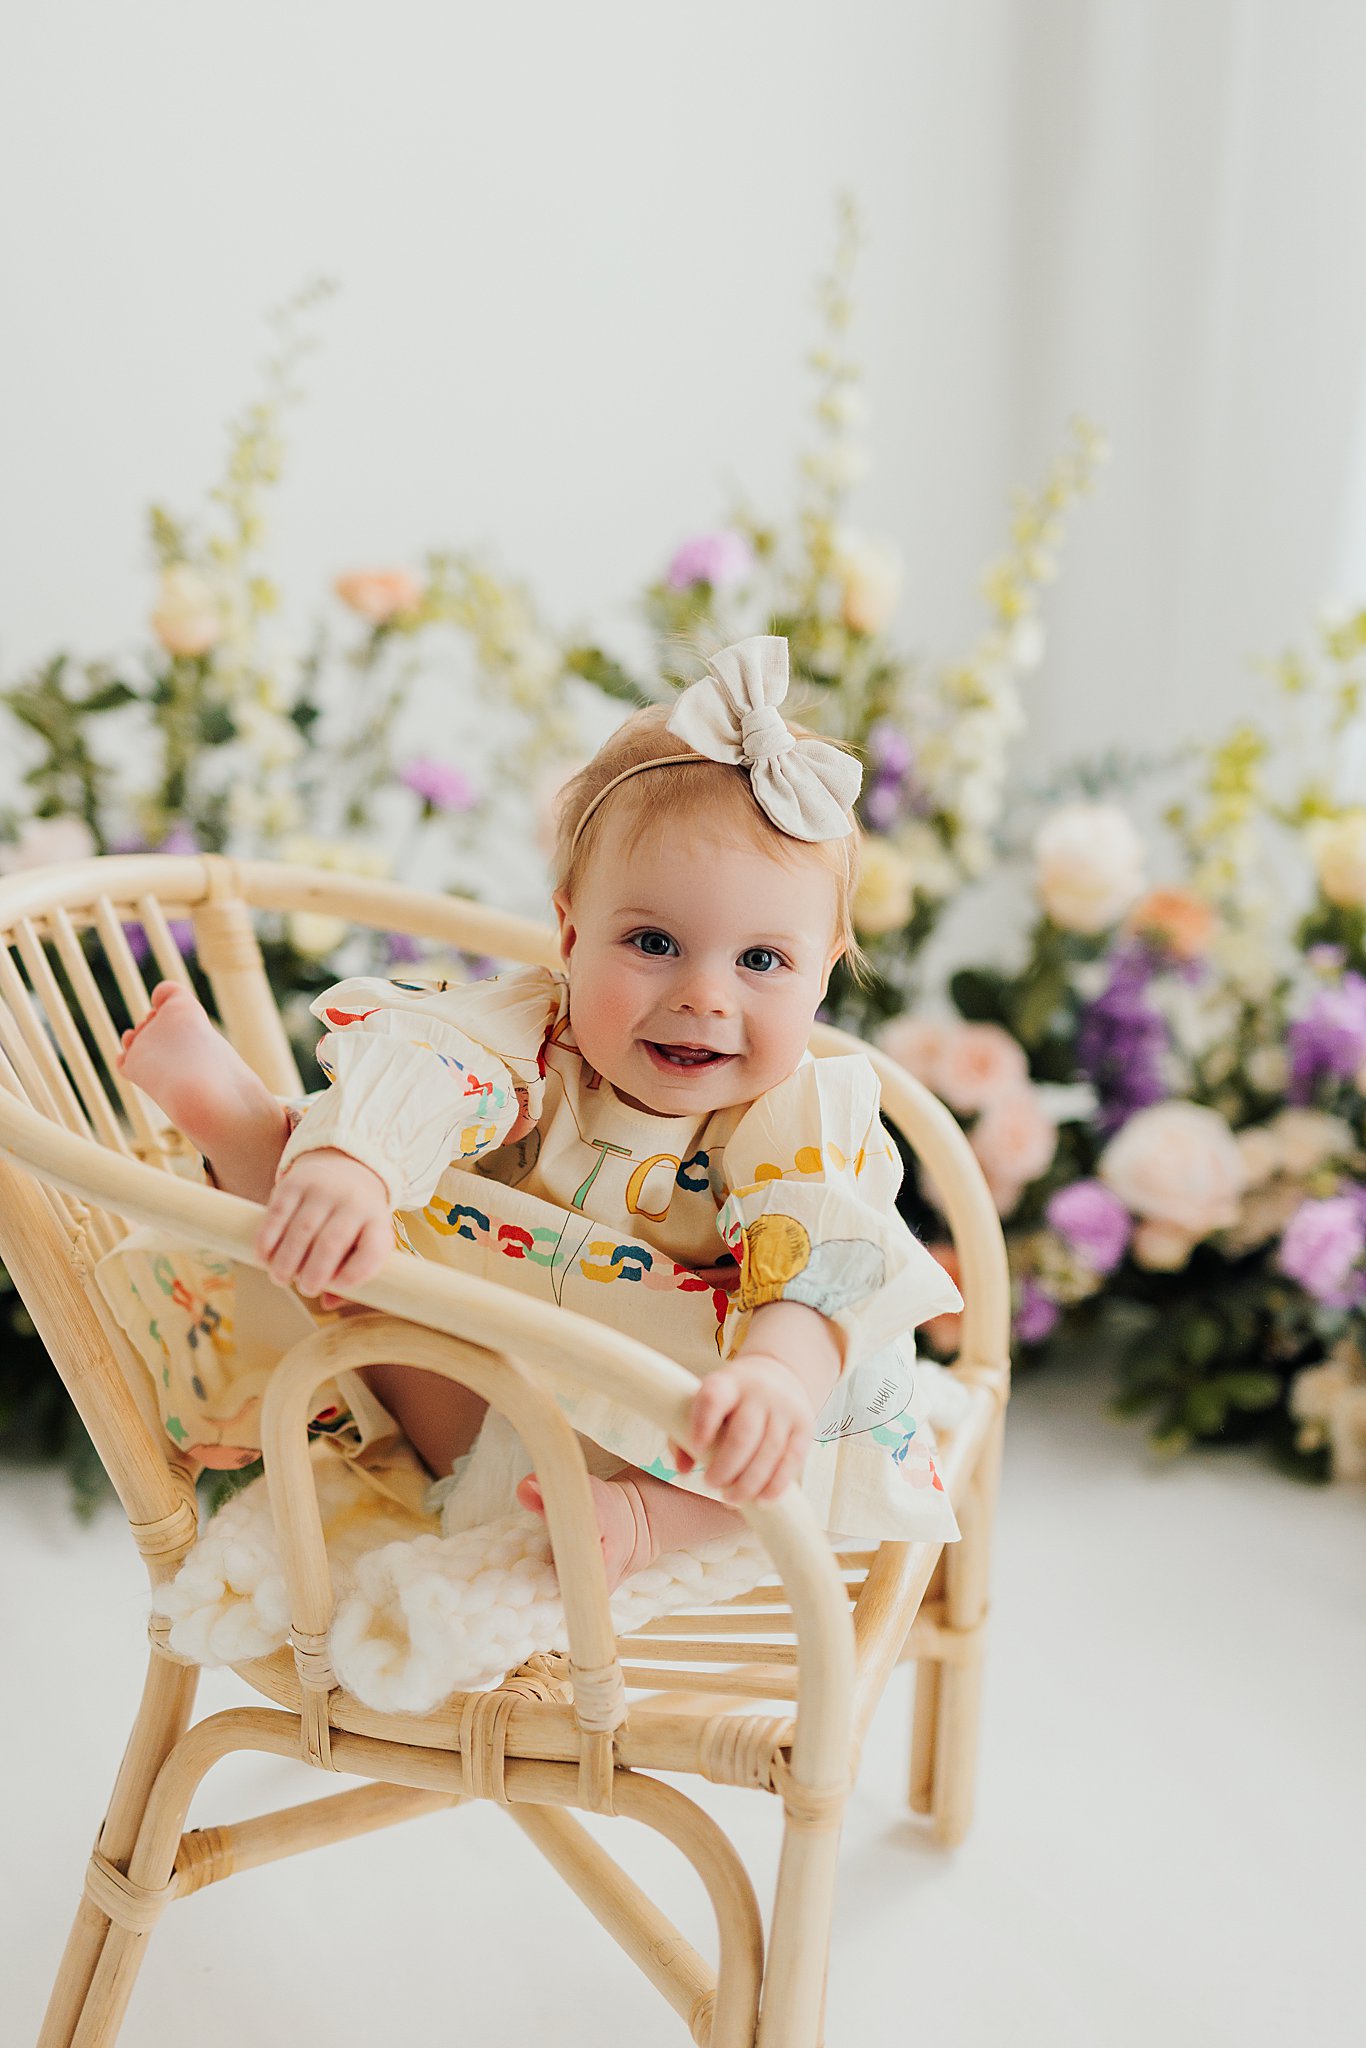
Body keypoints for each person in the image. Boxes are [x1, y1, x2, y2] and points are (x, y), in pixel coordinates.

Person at [106, 635, 963, 1588]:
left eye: (761, 961)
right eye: (653, 941)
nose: (705, 997)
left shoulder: (791, 1113)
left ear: (824, 972)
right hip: (476, 1363)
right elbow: (435, 1066)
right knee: (348, 1244)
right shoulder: (534, 1034)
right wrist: (353, 1163)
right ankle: (253, 1138)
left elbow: (815, 1252)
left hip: (673, 1409)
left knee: (817, 1423)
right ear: (568, 932)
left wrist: (772, 1375)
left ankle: (647, 1523)